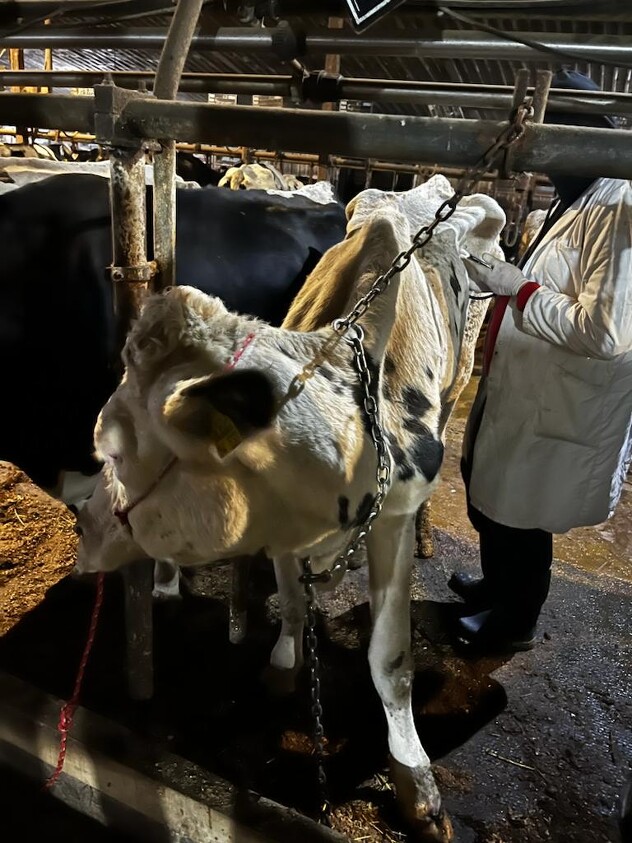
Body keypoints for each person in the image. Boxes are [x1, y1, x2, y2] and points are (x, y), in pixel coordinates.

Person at [449, 69, 632, 653]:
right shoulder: (573, 197)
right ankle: (495, 587)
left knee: (523, 513)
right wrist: (497, 277)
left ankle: (516, 620)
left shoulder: (621, 205)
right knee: (491, 491)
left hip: (564, 398)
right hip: (526, 382)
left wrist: (518, 288)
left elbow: (606, 331)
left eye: (548, 146)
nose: (540, 165)